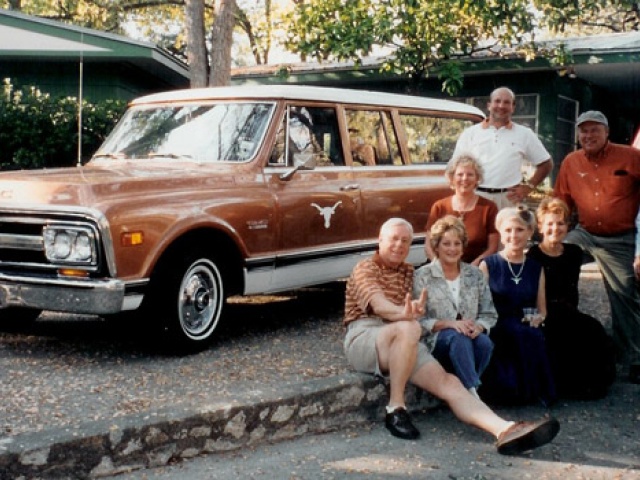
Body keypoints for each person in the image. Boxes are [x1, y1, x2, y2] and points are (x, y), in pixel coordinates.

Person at [343, 217, 560, 454]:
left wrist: (410, 317)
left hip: (403, 340)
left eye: (405, 240)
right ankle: (396, 408)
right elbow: (379, 304)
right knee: (410, 327)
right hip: (366, 336)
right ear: (380, 240)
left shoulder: (408, 272)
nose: (399, 245)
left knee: (451, 383)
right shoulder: (365, 267)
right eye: (393, 239)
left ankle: (505, 430)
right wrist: (403, 313)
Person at [554, 110, 640, 384]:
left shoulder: (630, 156)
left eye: (594, 130)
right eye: (583, 131)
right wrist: (551, 235)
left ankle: (633, 357)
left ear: (607, 133)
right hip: (585, 233)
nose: (588, 136)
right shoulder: (571, 161)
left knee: (624, 292)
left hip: (621, 238)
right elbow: (560, 203)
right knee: (554, 262)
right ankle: (561, 337)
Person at [528, 198, 616, 399]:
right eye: (549, 223)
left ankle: (590, 385)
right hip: (546, 312)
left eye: (560, 223)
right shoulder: (534, 256)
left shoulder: (574, 253)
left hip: (569, 311)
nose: (555, 228)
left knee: (593, 330)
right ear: (540, 227)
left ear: (568, 226)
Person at [479, 206, 557, 406]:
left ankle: (535, 391)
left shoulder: (536, 268)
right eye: (508, 230)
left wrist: (539, 318)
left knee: (533, 333)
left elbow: (542, 309)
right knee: (521, 334)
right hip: (497, 324)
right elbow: (479, 305)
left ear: (530, 232)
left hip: (525, 323)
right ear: (500, 232)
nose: (514, 235)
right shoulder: (488, 265)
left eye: (520, 230)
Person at [414, 216, 497, 399]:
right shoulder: (422, 276)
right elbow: (417, 321)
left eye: (457, 243)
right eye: (446, 244)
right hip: (436, 341)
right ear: (436, 246)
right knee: (458, 337)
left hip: (469, 338)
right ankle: (473, 396)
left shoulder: (474, 274)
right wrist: (448, 324)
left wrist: (479, 326)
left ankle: (463, 389)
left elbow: (489, 313)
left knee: (484, 343)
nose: (452, 249)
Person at [452, 87, 553, 209]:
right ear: (489, 105)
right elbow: (454, 167)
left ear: (513, 107)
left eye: (507, 102)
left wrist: (528, 187)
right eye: (497, 101)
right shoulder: (470, 133)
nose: (501, 106)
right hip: (476, 197)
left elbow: (546, 164)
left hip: (508, 200)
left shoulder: (525, 134)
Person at [424, 153, 499, 266]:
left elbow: (492, 248)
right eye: (460, 174)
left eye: (470, 174)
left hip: (475, 268)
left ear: (477, 178)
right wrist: (439, 266)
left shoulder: (489, 208)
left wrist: (471, 269)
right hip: (441, 268)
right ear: (451, 178)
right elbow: (428, 245)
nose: (465, 179)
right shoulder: (439, 207)